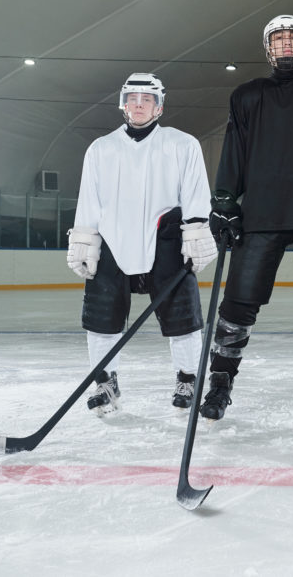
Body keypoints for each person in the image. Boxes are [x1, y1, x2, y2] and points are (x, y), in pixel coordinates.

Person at [200, 15, 293, 421]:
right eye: (279, 40)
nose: (287, 45)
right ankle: (220, 382)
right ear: (268, 48)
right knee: (237, 304)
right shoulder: (248, 96)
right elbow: (233, 151)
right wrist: (225, 203)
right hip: (261, 213)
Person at [67, 73, 216, 418]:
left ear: (158, 106)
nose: (138, 105)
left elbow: (196, 194)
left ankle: (188, 379)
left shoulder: (182, 144)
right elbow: (89, 199)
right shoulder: (101, 149)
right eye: (132, 99)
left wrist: (196, 232)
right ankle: (105, 382)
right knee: (101, 320)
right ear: (123, 104)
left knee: (183, 320)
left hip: (165, 241)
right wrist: (85, 238)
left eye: (145, 100)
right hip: (113, 242)